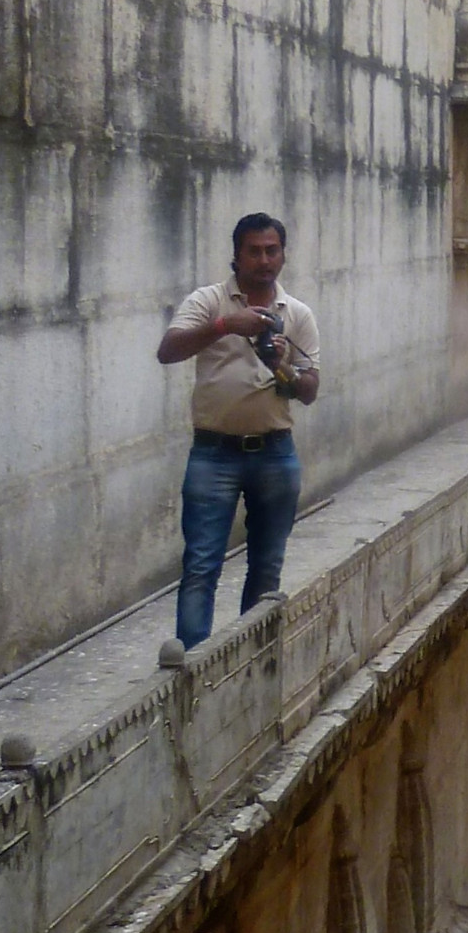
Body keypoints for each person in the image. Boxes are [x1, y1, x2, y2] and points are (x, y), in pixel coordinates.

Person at [157, 213, 321, 649]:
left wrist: (280, 363)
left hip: (275, 453)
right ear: (237, 256)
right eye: (254, 251)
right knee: (201, 565)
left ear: (283, 255)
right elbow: (168, 350)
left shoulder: (297, 314)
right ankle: (192, 671)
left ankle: (252, 661)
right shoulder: (208, 301)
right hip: (214, 455)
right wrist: (227, 325)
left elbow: (308, 390)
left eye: (272, 250)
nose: (264, 260)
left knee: (267, 567)